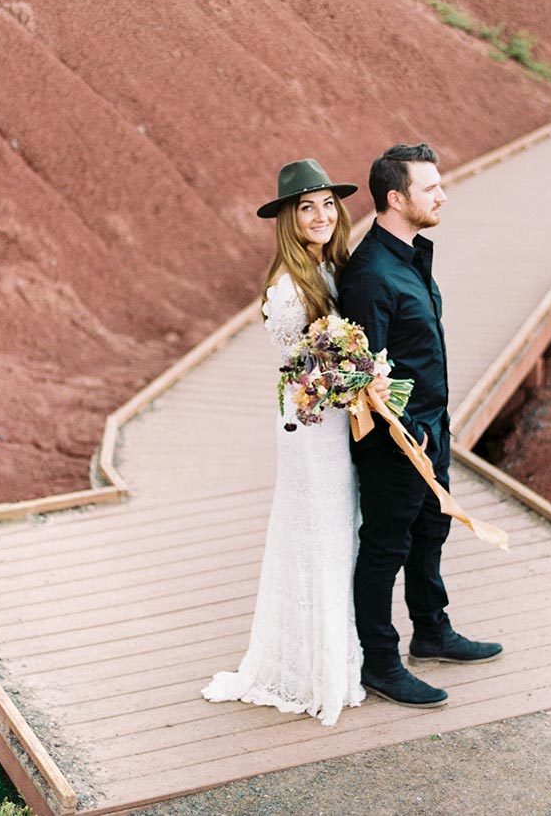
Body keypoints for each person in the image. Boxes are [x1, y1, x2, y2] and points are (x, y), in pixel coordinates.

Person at [202, 158, 381, 726]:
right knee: (318, 535)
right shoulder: (286, 289)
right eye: (307, 207)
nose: (322, 215)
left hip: (333, 420)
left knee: (339, 532)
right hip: (309, 427)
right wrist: (354, 375)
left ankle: (337, 659)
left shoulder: (332, 269)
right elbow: (300, 373)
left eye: (329, 204)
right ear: (288, 218)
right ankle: (312, 673)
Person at [338, 143, 503, 709]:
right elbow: (367, 374)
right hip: (396, 438)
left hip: (432, 425)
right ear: (395, 198)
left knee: (432, 529)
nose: (442, 195)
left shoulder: (409, 257)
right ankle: (379, 662)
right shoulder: (369, 274)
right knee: (385, 546)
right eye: (430, 187)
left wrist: (435, 426)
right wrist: (407, 432)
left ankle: (431, 631)